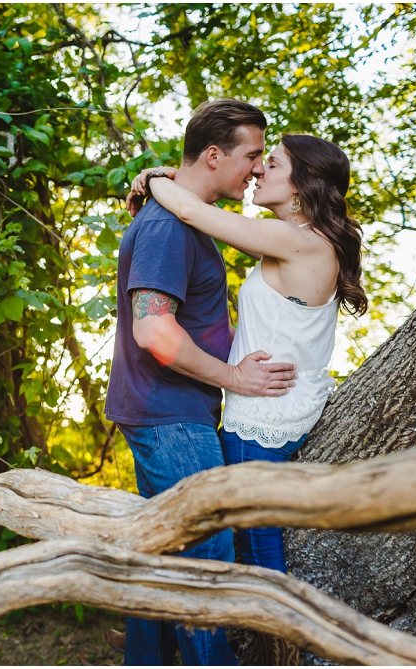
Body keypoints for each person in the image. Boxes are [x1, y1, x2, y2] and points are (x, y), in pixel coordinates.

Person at [104, 98, 299, 666]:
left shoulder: (184, 216)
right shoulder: (169, 226)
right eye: (253, 156)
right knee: (205, 561)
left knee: (164, 551)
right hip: (169, 417)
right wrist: (235, 377)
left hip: (171, 411)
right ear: (214, 155)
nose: (258, 169)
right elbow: (155, 334)